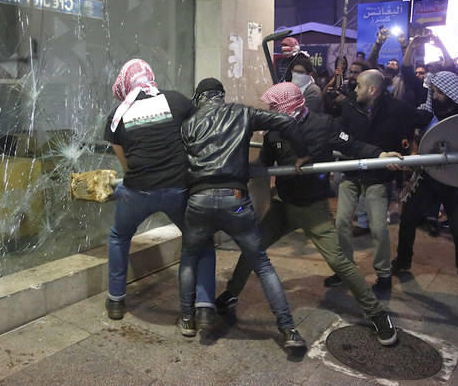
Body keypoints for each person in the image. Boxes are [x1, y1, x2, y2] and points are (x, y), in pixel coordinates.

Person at [215, 82, 400, 346]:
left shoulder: (323, 125)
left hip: (313, 208)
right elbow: (264, 162)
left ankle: (377, 314)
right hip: (283, 205)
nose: (269, 111)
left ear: (288, 107)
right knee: (252, 247)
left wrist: (381, 154)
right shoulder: (274, 133)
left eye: (274, 107)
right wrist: (237, 169)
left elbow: (354, 146)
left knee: (340, 262)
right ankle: (232, 292)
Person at [179, 78, 310, 351]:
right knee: (262, 264)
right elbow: (286, 122)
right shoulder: (242, 112)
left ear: (200, 98)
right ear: (220, 96)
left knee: (189, 260)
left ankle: (188, 320)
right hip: (236, 200)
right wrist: (301, 155)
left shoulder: (188, 124)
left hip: (199, 200)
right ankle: (288, 330)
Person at [103, 59, 216, 321]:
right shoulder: (177, 101)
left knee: (119, 237)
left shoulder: (118, 115)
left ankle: (117, 301)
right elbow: (195, 135)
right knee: (201, 240)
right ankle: (205, 307)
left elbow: (127, 165)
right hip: (178, 188)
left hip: (137, 192)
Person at [329, 70, 431, 291]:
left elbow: (427, 119)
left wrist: (403, 153)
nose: (354, 90)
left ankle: (384, 274)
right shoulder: (350, 105)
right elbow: (342, 136)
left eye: (358, 86)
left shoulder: (397, 108)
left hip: (377, 176)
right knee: (341, 223)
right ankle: (344, 270)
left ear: (372, 89)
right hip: (351, 171)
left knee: (378, 228)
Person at [391, 71, 458, 302]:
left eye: (440, 91)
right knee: (408, 219)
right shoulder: (427, 113)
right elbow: (408, 123)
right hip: (427, 178)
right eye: (435, 91)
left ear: (451, 92)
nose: (436, 95)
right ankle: (402, 260)